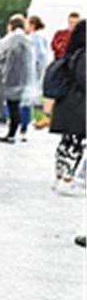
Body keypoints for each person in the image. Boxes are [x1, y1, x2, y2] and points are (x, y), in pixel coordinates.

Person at [51, 19, 85, 196]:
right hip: (79, 106)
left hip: (68, 104)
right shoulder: (84, 55)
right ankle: (67, 179)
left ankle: (60, 176)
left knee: (67, 142)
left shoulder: (72, 53)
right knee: (76, 143)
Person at [37, 12, 80, 129]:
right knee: (50, 85)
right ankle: (47, 115)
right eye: (71, 23)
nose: (73, 25)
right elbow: (56, 47)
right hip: (62, 65)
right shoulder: (61, 34)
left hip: (76, 67)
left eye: (75, 23)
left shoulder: (82, 36)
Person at [0, 15, 33, 143]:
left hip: (12, 78)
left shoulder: (13, 39)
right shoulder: (24, 39)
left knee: (13, 107)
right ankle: (15, 131)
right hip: (21, 78)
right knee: (15, 106)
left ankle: (11, 133)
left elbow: (1, 53)